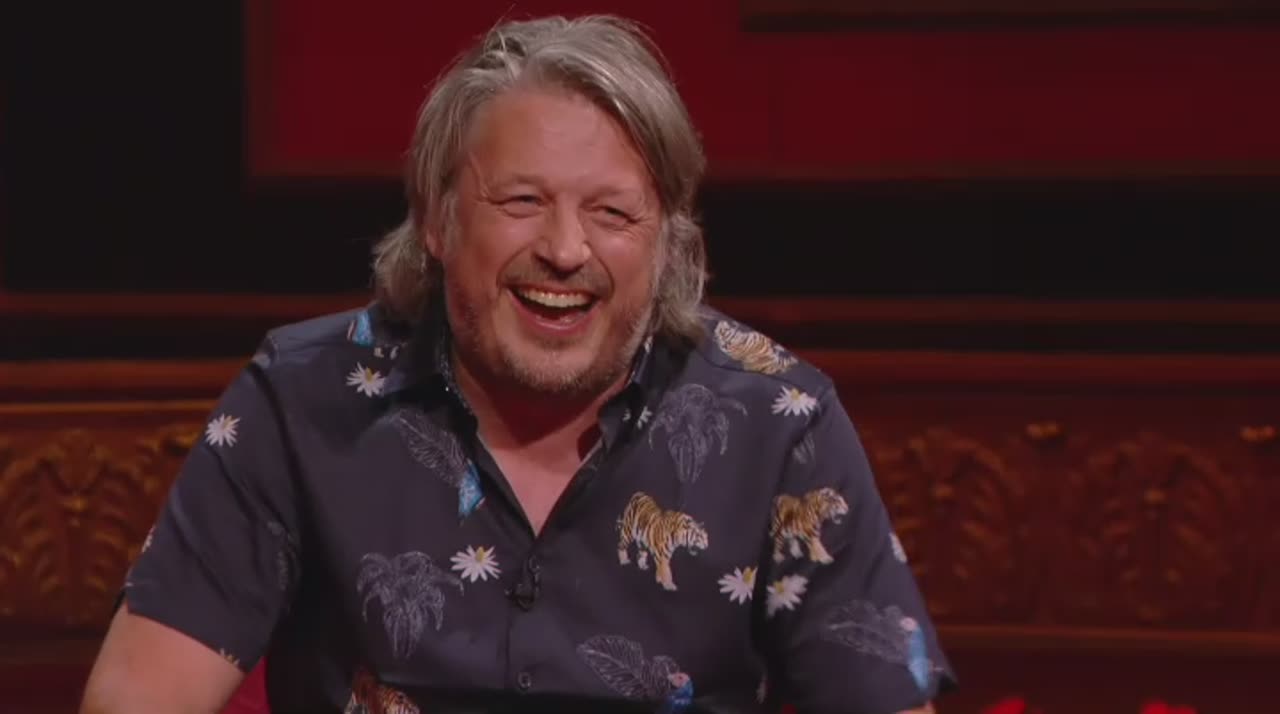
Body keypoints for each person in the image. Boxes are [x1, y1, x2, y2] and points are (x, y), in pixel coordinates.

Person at [80, 14, 955, 714]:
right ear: (439, 219)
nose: (566, 250)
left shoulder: (781, 423)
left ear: (667, 240)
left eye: (613, 213)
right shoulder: (300, 399)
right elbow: (136, 697)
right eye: (522, 201)